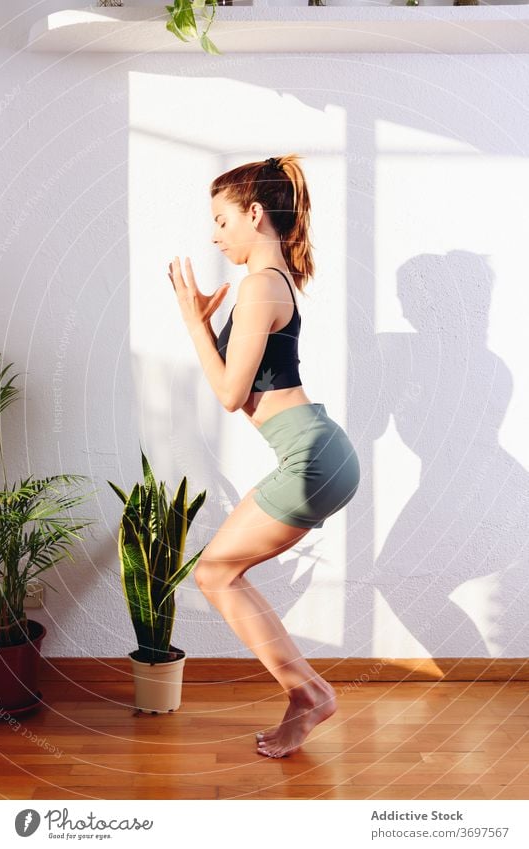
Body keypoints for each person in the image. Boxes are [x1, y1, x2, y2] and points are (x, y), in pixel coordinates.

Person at [167, 154, 360, 758]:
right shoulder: (272, 282)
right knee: (222, 572)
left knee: (216, 572)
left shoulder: (259, 285)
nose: (215, 234)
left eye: (223, 220)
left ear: (255, 213)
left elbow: (230, 395)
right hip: (314, 450)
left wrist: (193, 321)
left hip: (312, 456)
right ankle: (304, 699)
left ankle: (310, 693)